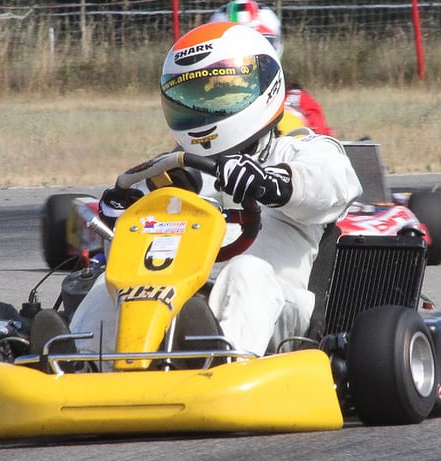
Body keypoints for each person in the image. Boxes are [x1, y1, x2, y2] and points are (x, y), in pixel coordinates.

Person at [68, 22, 362, 359]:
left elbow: (337, 183)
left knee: (244, 273)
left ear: (264, 86)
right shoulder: (179, 171)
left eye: (221, 93)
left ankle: (224, 364)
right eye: (192, 99)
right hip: (182, 298)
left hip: (279, 310)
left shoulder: (295, 152)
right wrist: (126, 220)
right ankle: (78, 364)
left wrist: (273, 183)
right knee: (115, 282)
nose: (205, 109)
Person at [209, 0, 335, 136]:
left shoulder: (298, 103)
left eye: (255, 47)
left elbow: (326, 149)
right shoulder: (201, 102)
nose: (246, 60)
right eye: (234, 48)